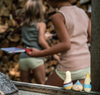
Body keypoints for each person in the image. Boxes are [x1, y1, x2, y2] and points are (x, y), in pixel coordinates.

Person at [26, 0, 91, 87]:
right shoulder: (83, 12)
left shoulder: (58, 16)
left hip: (69, 66)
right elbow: (90, 38)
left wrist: (39, 53)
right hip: (86, 65)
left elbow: (66, 44)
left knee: (45, 92)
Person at [19, 0, 60, 84]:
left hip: (23, 56)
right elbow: (40, 41)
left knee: (24, 86)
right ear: (39, 11)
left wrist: (44, 35)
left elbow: (30, 36)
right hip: (35, 57)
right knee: (41, 86)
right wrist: (54, 55)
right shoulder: (41, 24)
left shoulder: (23, 24)